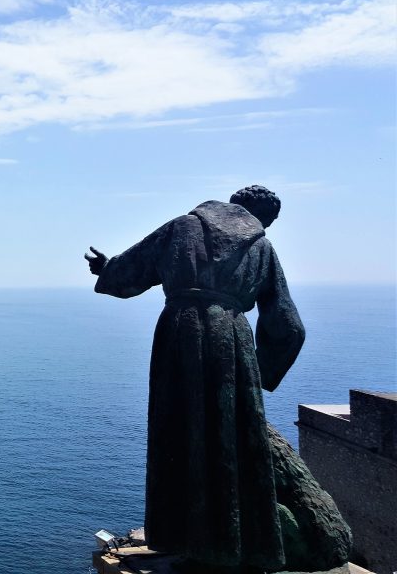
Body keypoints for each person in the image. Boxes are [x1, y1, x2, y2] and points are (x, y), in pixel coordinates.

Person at [86, 186, 304, 571]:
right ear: (256, 212)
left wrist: (107, 269)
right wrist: (258, 377)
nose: (264, 227)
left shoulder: (184, 227)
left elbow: (133, 269)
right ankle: (236, 544)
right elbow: (288, 326)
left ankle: (181, 537)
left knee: (177, 432)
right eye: (268, 219)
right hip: (234, 343)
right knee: (232, 439)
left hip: (179, 334)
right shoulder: (263, 250)